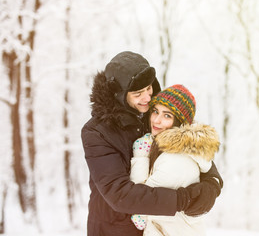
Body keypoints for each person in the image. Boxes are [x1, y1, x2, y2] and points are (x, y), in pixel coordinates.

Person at [81, 51, 223, 236]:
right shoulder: (97, 132)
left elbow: (193, 148)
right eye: (138, 93)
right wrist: (183, 199)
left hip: (155, 228)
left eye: (149, 88)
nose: (147, 98)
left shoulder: (154, 113)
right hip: (115, 229)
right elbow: (119, 194)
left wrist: (212, 185)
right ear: (119, 95)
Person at [130, 85, 221, 235]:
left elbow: (140, 208)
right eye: (155, 112)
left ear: (179, 122)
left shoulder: (175, 159)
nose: (156, 120)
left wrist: (140, 155)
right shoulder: (172, 149)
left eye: (167, 116)